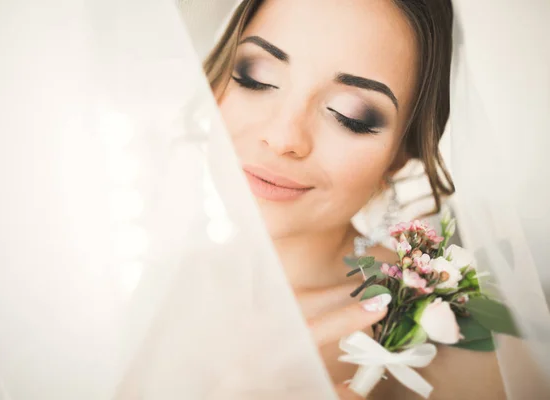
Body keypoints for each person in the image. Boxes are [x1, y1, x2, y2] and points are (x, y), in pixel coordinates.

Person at [204, 0, 505, 398]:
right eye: (255, 77)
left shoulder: (445, 333)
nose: (283, 138)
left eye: (351, 115)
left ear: (402, 153)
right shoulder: (153, 285)